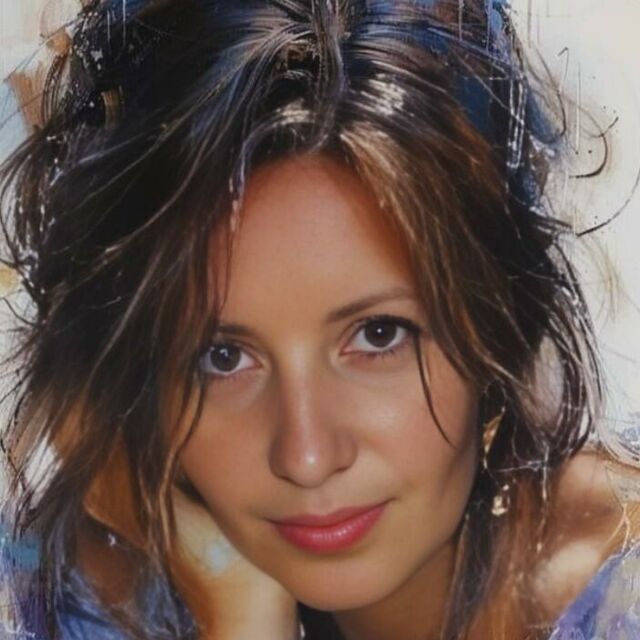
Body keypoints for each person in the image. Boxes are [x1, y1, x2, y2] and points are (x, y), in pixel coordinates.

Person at [0, 1, 639, 639]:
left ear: (499, 321)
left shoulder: (620, 596)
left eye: (379, 335)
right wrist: (240, 618)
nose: (306, 457)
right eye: (221, 357)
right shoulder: (64, 596)